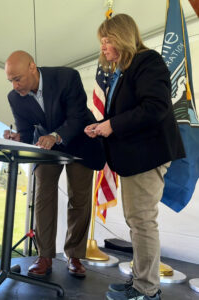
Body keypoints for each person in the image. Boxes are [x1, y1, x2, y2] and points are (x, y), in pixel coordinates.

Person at [84, 14, 185, 300]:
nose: (103, 48)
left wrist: (111, 125)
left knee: (142, 222)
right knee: (137, 221)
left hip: (147, 155)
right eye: (101, 42)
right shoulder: (122, 70)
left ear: (122, 37)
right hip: (134, 157)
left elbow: (155, 106)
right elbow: (127, 111)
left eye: (107, 40)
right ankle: (141, 282)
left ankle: (146, 290)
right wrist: (102, 125)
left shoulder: (147, 61)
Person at [3, 50, 105, 278]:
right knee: (43, 196)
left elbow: (78, 117)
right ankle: (45, 256)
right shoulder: (14, 98)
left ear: (32, 67)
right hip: (47, 147)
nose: (14, 86)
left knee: (79, 199)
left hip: (80, 140)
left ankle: (75, 256)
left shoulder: (67, 77)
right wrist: (18, 138)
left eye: (17, 78)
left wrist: (56, 136)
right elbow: (27, 132)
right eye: (10, 80)